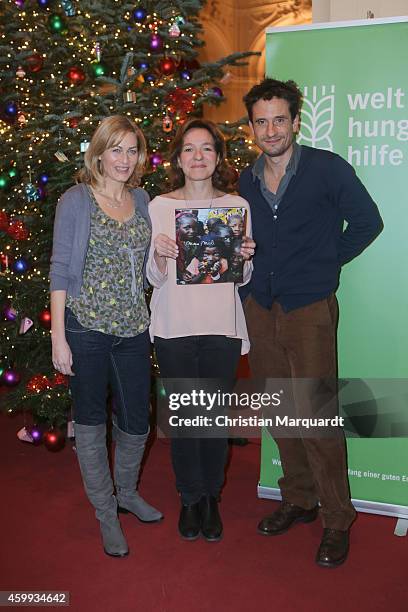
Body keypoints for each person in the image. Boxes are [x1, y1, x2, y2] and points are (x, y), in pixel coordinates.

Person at [239, 78, 383, 567]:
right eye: (262, 121)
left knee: (318, 417)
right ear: (252, 127)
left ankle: (337, 519)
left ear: (296, 122)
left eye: (280, 119)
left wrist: (327, 262)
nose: (271, 129)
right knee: (280, 414)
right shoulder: (246, 179)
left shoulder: (326, 168)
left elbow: (368, 221)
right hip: (260, 308)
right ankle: (298, 500)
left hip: (309, 312)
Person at [49, 115, 163, 558]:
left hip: (135, 328)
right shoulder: (76, 200)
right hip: (87, 328)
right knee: (93, 424)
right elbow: (60, 270)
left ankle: (127, 492)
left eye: (132, 150)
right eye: (115, 149)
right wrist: (59, 337)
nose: (124, 159)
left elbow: (152, 266)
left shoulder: (144, 198)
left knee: (138, 418)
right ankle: (105, 513)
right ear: (97, 153)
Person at [147, 118, 255, 542]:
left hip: (220, 326)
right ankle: (190, 496)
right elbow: (153, 280)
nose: (197, 156)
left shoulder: (237, 206)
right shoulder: (159, 206)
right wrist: (158, 256)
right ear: (178, 157)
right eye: (189, 149)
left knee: (212, 419)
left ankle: (211, 495)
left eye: (206, 148)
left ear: (218, 157)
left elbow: (242, 279)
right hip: (174, 327)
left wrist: (246, 256)